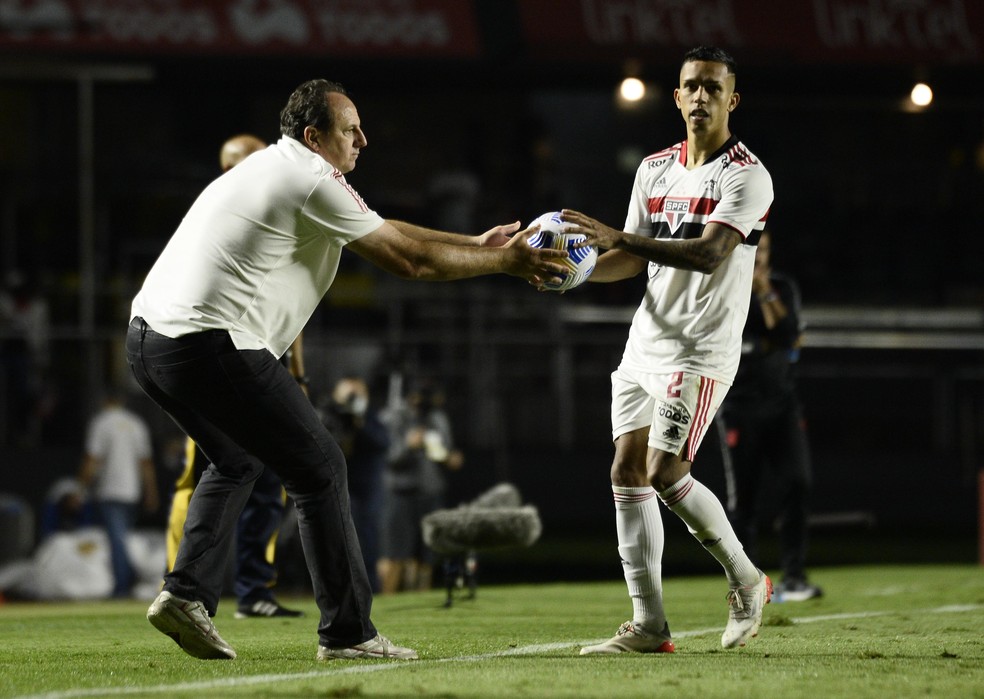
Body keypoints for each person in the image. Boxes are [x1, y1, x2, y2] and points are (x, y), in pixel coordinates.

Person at [128, 78, 567, 662]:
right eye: (349, 128)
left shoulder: (276, 166)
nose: (364, 137)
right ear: (314, 137)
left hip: (148, 339)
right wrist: (503, 263)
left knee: (235, 459)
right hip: (210, 341)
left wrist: (475, 242)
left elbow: (385, 227)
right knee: (321, 469)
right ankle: (348, 634)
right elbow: (408, 260)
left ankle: (185, 594)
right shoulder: (312, 179)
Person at [560, 46, 775, 654]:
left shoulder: (746, 174)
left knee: (664, 470)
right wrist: (566, 274)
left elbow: (709, 253)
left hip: (701, 348)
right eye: (691, 87)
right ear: (677, 97)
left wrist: (619, 236)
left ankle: (746, 578)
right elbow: (629, 257)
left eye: (713, 87)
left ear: (732, 99)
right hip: (646, 342)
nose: (701, 96)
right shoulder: (653, 169)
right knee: (626, 471)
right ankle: (649, 626)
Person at [164, 133, 304, 620]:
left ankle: (254, 592)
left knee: (268, 483)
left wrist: (297, 370)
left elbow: (291, 296)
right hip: (212, 360)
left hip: (262, 357)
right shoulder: (213, 215)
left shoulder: (275, 214)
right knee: (204, 472)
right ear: (227, 170)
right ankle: (180, 583)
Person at [715, 229, 822, 602]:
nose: (758, 255)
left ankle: (794, 575)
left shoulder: (781, 287)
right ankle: (751, 581)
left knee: (798, 483)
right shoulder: (724, 284)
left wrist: (764, 291)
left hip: (782, 405)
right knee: (744, 499)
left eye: (764, 249)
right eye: (752, 248)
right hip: (738, 407)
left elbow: (790, 332)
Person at [378, 379, 463, 593]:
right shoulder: (393, 417)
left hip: (430, 491)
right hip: (400, 492)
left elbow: (443, 451)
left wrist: (449, 458)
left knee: (426, 554)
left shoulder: (437, 417)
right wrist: (408, 445)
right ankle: (385, 602)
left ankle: (419, 601)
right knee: (395, 553)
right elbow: (385, 457)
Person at [78, 392, 160, 598]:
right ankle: (126, 581)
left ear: (105, 402)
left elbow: (91, 459)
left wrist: (80, 489)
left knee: (116, 540)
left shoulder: (101, 422)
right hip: (132, 491)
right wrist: (151, 492)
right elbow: (146, 462)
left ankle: (122, 585)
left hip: (110, 489)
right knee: (123, 539)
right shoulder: (136, 423)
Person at [319, 376, 390, 593]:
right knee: (334, 538)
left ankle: (370, 588)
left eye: (358, 394)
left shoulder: (369, 417)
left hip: (366, 487)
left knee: (366, 537)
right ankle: (337, 589)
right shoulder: (326, 416)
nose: (353, 398)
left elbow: (382, 443)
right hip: (334, 485)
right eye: (348, 393)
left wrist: (359, 422)